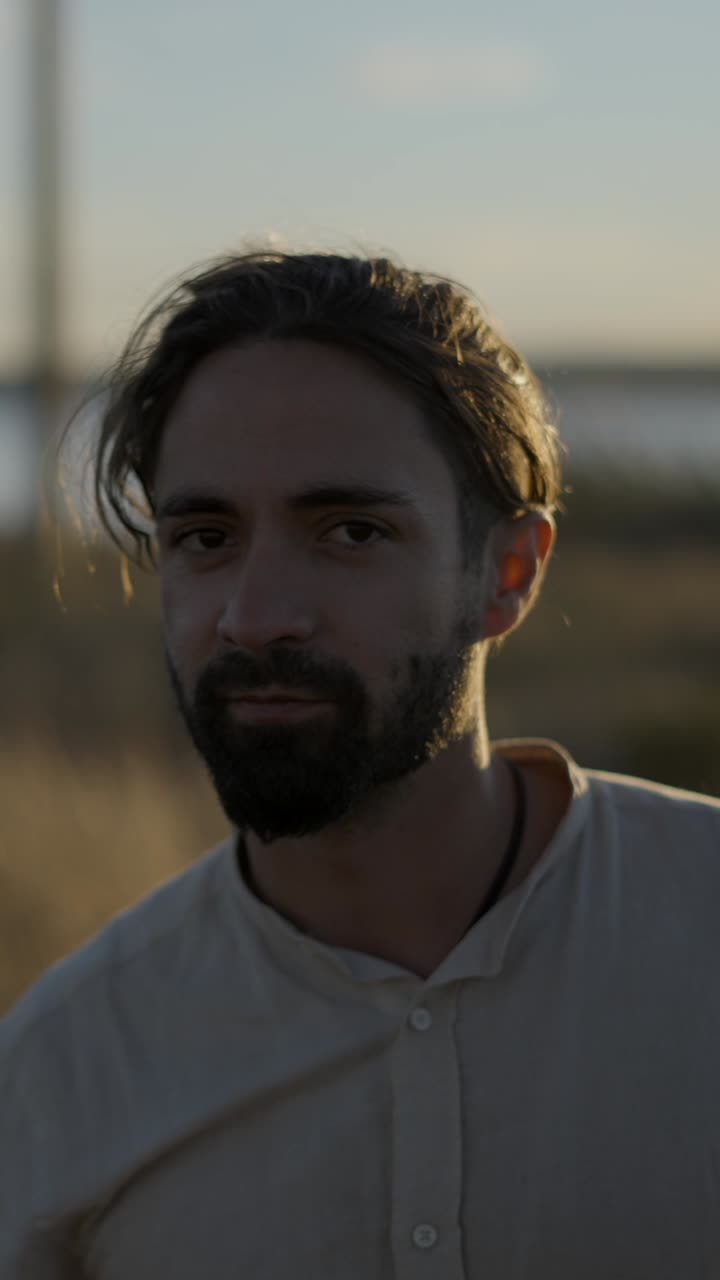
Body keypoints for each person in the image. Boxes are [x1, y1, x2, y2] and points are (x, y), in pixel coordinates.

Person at [2, 249, 719, 1279]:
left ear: (507, 574)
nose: (256, 616)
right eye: (205, 535)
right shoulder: (62, 1073)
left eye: (349, 530)